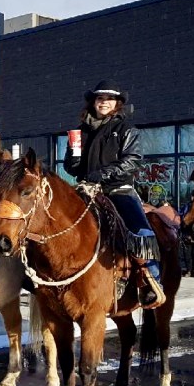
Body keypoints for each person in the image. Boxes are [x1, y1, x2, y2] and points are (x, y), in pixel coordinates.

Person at [63, 80, 165, 309]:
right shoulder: (81, 131)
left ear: (116, 103)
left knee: (141, 231)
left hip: (118, 189)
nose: (104, 102)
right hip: (87, 189)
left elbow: (132, 160)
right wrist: (73, 160)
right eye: (100, 99)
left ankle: (152, 282)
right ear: (93, 103)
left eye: (108, 99)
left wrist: (104, 174)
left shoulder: (125, 129)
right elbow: (71, 168)